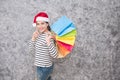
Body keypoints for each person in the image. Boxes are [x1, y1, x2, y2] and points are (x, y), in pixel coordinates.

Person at [29, 12, 58, 80]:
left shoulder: (49, 36)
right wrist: (33, 39)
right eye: (38, 24)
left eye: (42, 23)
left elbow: (54, 55)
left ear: (47, 23)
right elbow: (31, 51)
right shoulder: (39, 35)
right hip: (39, 65)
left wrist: (48, 42)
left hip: (45, 68)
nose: (40, 26)